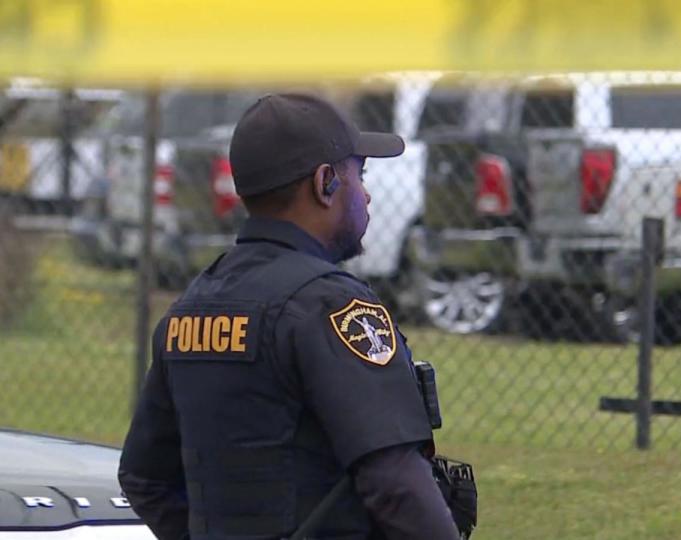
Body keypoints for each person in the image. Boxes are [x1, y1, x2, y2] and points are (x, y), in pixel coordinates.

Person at [118, 93, 461, 540]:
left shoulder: (189, 310)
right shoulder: (330, 306)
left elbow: (146, 478)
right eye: (360, 174)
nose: (368, 194)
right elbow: (396, 484)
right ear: (325, 184)